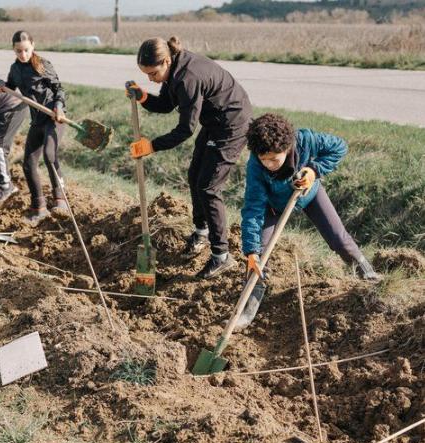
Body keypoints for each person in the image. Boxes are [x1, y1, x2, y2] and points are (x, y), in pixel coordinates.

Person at [236, 113, 381, 329]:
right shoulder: (256, 167)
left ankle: (368, 275)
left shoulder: (306, 141)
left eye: (274, 159)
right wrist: (251, 251)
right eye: (263, 159)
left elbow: (339, 147)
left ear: (287, 148)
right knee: (258, 256)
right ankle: (248, 310)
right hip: (272, 207)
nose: (269, 165)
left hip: (309, 194)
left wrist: (314, 170)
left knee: (338, 238)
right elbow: (253, 209)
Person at [125, 37, 253, 279]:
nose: (150, 79)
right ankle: (201, 231)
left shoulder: (187, 77)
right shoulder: (175, 70)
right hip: (214, 122)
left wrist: (152, 146)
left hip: (232, 124)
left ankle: (221, 255)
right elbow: (165, 104)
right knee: (195, 175)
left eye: (152, 73)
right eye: (146, 75)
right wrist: (143, 96)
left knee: (208, 187)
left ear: (166, 61)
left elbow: (185, 130)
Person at [0, 30, 68, 225]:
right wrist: (1, 84)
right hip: (37, 121)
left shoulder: (42, 64)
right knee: (28, 164)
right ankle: (39, 207)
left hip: (53, 118)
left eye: (26, 50)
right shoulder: (15, 69)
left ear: (32, 46)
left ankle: (61, 200)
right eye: (19, 51)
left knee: (50, 156)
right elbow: (10, 86)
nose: (23, 55)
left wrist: (59, 108)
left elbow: (59, 89)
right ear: (14, 50)